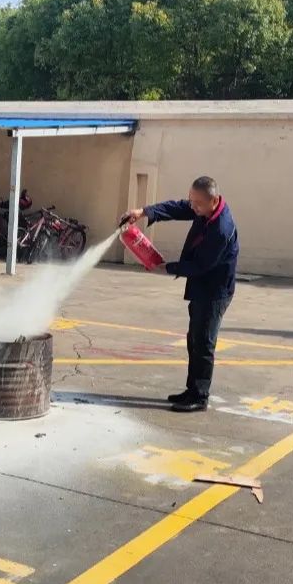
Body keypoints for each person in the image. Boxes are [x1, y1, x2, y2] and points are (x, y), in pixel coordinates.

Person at [121, 176, 239, 412]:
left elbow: (201, 265)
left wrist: (167, 267)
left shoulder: (221, 229)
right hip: (201, 287)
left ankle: (200, 396)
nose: (193, 207)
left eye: (197, 204)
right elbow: (177, 208)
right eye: (191, 201)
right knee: (194, 339)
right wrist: (143, 212)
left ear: (214, 201)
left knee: (203, 343)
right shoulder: (203, 209)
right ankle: (191, 390)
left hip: (214, 292)